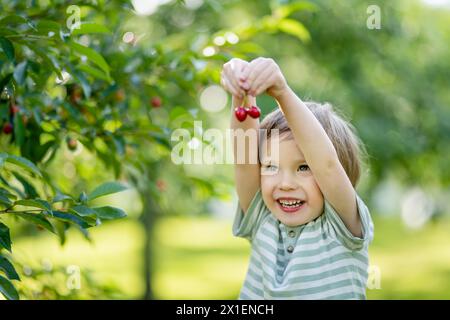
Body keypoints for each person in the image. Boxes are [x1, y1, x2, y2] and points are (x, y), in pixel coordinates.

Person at [220, 57, 374, 299]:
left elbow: (327, 165)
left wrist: (282, 92)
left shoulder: (343, 225)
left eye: (303, 167)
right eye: (270, 166)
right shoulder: (262, 218)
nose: (286, 184)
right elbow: (244, 159)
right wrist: (242, 93)